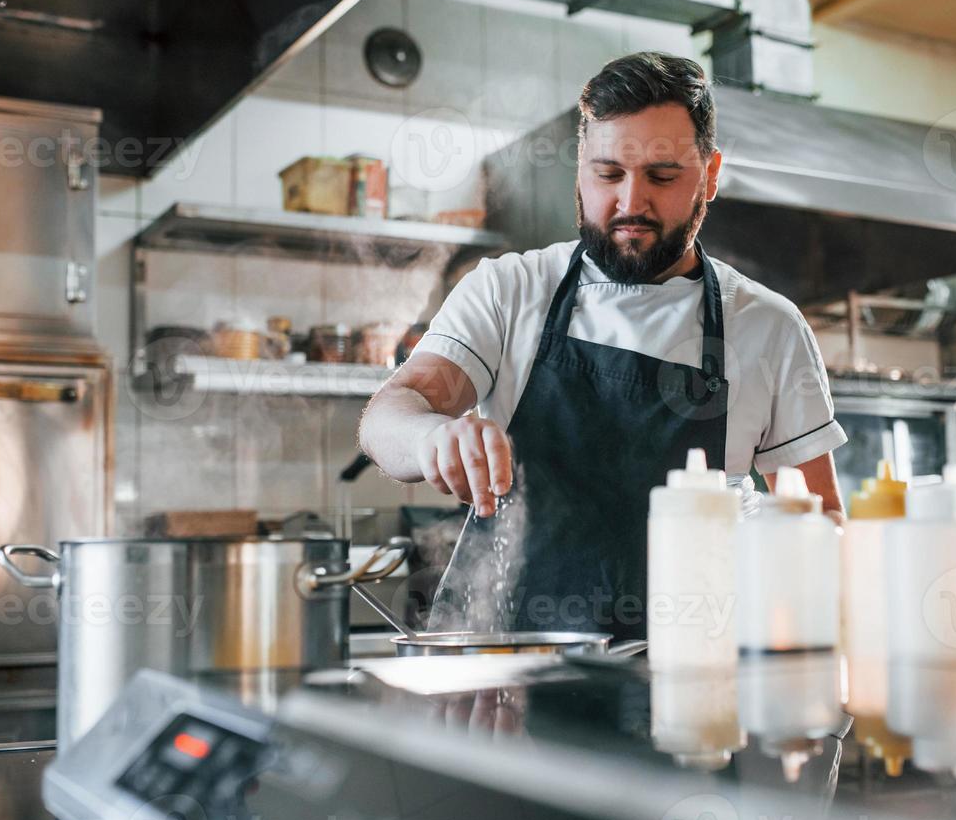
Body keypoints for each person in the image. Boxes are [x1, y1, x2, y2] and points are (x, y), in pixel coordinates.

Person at [359, 52, 846, 640]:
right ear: (580, 170)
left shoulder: (768, 327)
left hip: (689, 682)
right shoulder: (511, 289)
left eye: (662, 177)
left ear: (710, 176)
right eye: (608, 174)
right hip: (508, 676)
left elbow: (820, 522)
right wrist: (432, 436)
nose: (630, 203)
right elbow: (389, 415)